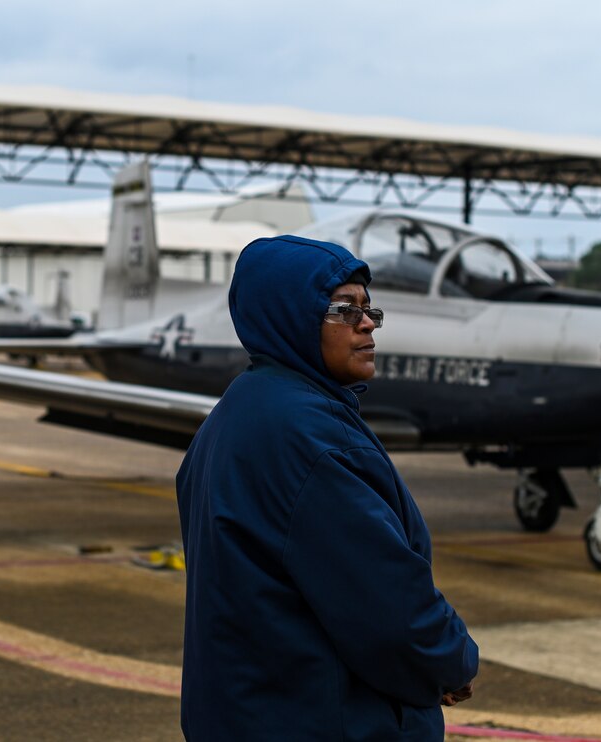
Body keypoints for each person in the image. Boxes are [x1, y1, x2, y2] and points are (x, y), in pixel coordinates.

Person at [175, 234, 478, 740]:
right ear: (290, 315)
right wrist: (451, 661)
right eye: (342, 309)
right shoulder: (314, 439)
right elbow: (388, 608)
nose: (366, 323)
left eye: (368, 309)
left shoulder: (234, 414)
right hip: (325, 719)